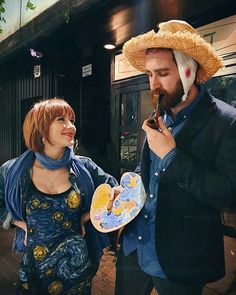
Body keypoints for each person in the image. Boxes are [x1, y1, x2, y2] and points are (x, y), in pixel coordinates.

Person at [112, 20, 236, 295]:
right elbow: (147, 169)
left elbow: (229, 195)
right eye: (149, 74)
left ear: (188, 71)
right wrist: (127, 189)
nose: (153, 85)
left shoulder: (226, 122)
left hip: (181, 261)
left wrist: (171, 156)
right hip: (134, 249)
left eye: (163, 73)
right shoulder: (159, 114)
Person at [0, 98, 118, 295]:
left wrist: (88, 216)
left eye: (72, 120)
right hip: (35, 265)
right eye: (61, 119)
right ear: (41, 128)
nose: (70, 126)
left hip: (77, 265)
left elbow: (115, 192)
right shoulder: (14, 170)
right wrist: (20, 224)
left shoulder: (84, 167)